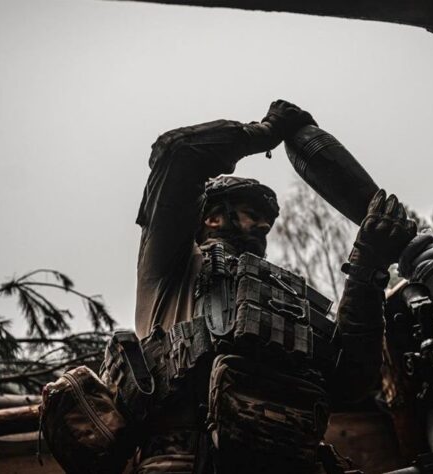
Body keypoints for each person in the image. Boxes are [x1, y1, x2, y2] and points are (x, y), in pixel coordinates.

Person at [132, 100, 416, 473]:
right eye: (252, 214)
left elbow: (351, 381)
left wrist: (368, 269)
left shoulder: (284, 300)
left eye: (268, 220)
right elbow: (179, 152)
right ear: (212, 217)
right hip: (190, 461)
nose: (265, 226)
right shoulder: (171, 267)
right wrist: (265, 132)